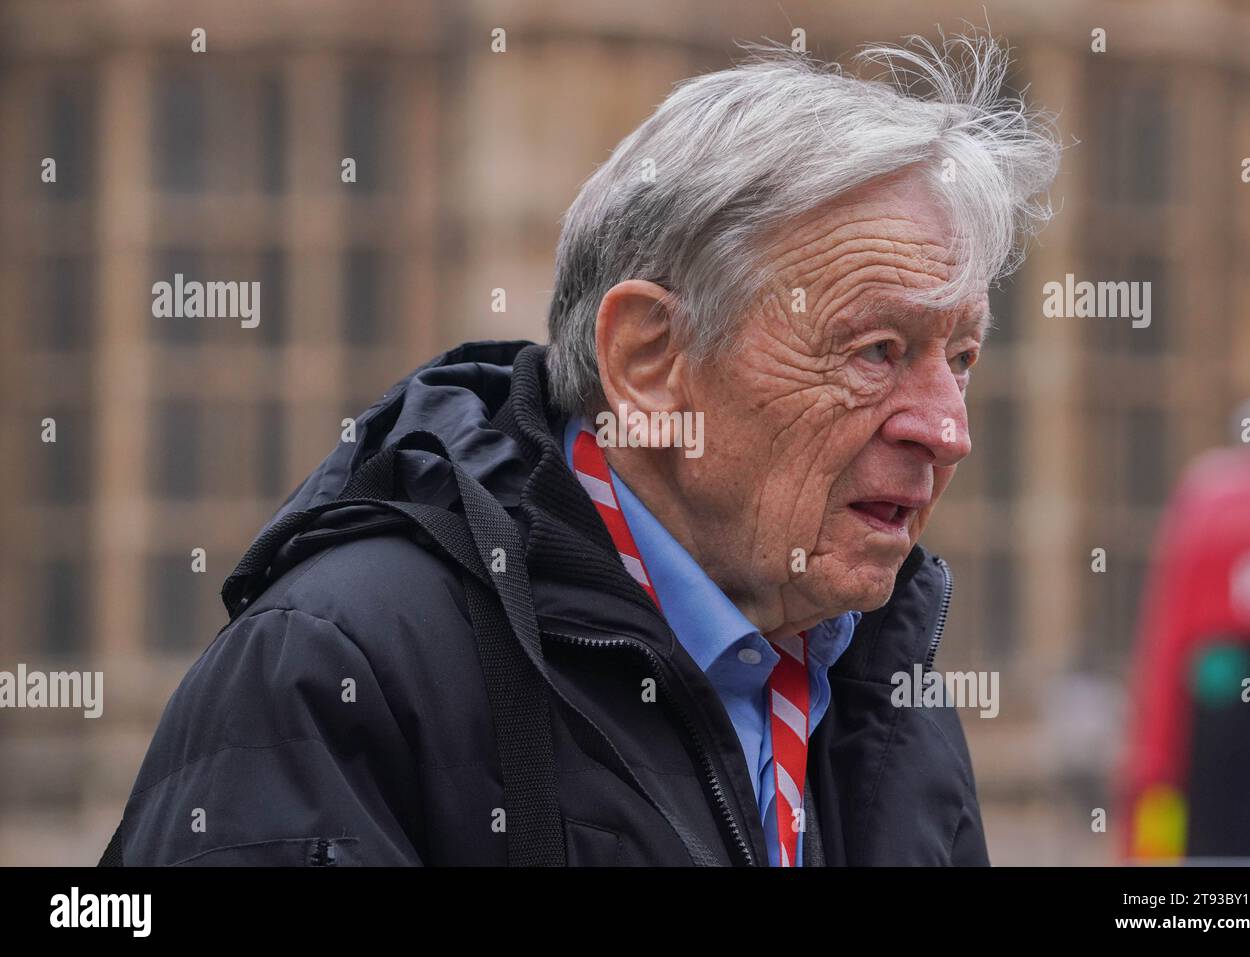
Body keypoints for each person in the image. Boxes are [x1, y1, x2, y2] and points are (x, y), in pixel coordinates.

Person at [105, 34, 1059, 866]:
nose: (948, 430)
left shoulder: (874, 676)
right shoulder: (337, 674)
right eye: (877, 351)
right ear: (650, 360)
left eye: (961, 357)